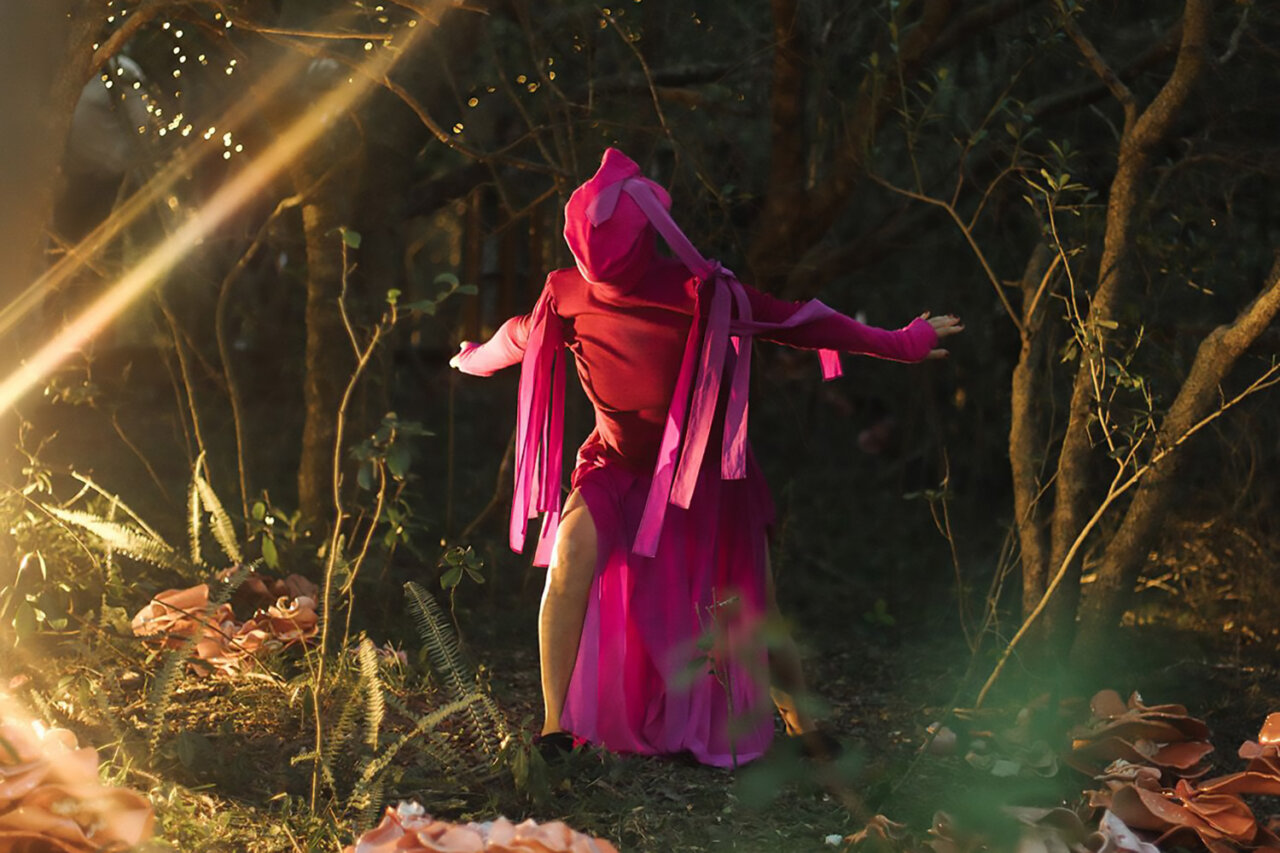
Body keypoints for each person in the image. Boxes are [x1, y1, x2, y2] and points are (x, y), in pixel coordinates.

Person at [450, 149, 963, 767]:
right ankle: (556, 728)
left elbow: (799, 322)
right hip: (614, 465)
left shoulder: (701, 292)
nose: (597, 267)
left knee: (752, 609)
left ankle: (804, 727)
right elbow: (516, 337)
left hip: (703, 478)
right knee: (569, 558)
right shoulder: (565, 292)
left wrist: (903, 343)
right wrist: (470, 357)